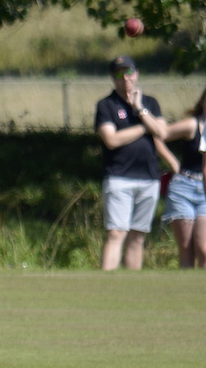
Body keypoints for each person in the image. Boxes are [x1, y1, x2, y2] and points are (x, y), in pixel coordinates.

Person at [95, 55, 168, 270]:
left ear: (136, 74)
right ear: (113, 78)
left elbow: (162, 132)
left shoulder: (150, 103)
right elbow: (112, 140)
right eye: (119, 74)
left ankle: (132, 284)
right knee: (117, 232)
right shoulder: (106, 105)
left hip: (149, 177)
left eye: (128, 72)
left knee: (138, 236)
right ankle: (106, 283)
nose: (124, 78)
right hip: (119, 176)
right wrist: (145, 127)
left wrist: (140, 110)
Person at [158, 87, 206, 268]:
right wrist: (172, 162)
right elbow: (160, 135)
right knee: (186, 247)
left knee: (204, 249)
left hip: (205, 190)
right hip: (184, 186)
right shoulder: (192, 125)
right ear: (203, 101)